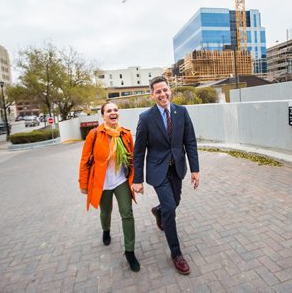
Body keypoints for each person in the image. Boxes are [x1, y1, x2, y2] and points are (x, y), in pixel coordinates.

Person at [132, 76, 200, 275]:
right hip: (157, 169)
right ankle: (176, 254)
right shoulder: (146, 118)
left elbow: (191, 142)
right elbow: (139, 151)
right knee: (171, 208)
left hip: (177, 168)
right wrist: (137, 179)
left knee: (174, 202)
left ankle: (158, 211)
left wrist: (195, 170)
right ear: (152, 95)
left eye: (165, 90)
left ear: (170, 90)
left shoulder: (182, 112)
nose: (163, 94)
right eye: (158, 91)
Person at [78, 102, 140, 272]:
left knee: (127, 214)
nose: (113, 112)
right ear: (103, 115)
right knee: (105, 212)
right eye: (108, 110)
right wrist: (83, 184)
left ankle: (130, 252)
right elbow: (85, 160)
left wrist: (137, 180)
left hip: (121, 181)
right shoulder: (95, 134)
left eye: (115, 110)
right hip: (102, 183)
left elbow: (132, 159)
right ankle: (106, 230)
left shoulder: (125, 134)